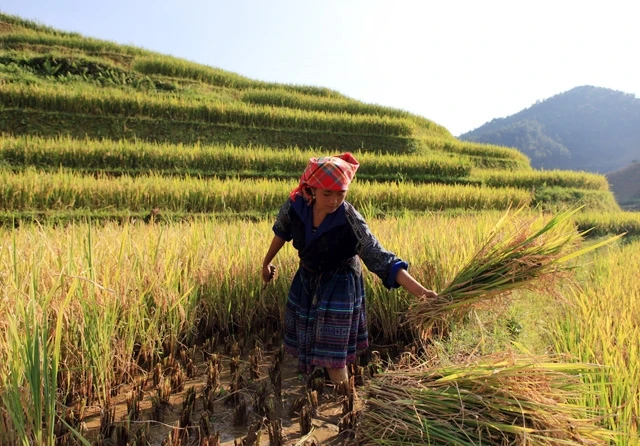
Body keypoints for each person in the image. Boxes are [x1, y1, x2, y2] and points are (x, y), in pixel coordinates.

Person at [261, 152, 437, 387]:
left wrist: (422, 293)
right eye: (327, 193)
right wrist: (266, 263)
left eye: (340, 194)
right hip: (307, 278)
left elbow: (380, 257)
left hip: (340, 283)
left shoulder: (349, 219)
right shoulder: (295, 206)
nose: (334, 200)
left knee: (334, 354)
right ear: (312, 189)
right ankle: (321, 388)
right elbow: (281, 232)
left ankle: (345, 400)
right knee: (311, 337)